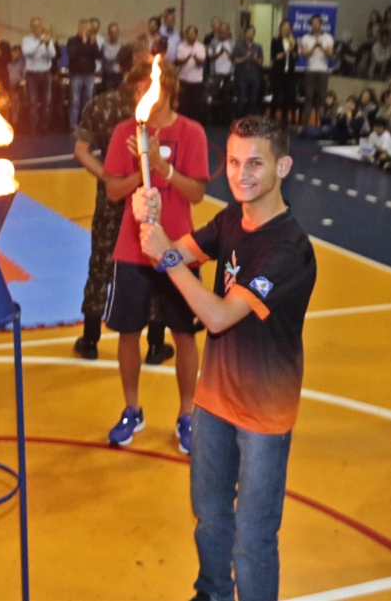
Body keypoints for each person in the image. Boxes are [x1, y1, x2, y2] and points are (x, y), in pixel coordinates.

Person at [133, 115, 316, 601]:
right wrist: (148, 220)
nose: (241, 174)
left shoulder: (290, 251)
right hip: (213, 399)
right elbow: (172, 254)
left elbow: (216, 316)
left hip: (263, 414)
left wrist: (166, 256)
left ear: (284, 167)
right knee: (210, 518)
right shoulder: (232, 219)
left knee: (252, 540)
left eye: (255, 163)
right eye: (234, 161)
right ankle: (212, 593)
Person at [102, 57, 208, 454]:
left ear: (167, 90)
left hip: (179, 249)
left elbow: (196, 193)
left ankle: (186, 415)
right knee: (128, 333)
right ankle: (132, 410)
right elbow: (113, 191)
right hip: (132, 250)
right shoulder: (124, 133)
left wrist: (161, 166)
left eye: (147, 86)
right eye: (135, 88)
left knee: (184, 335)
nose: (139, 94)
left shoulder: (192, 133)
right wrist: (140, 164)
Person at [72, 47, 172, 365]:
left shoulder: (100, 105)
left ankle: (90, 338)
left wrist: (106, 176)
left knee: (101, 263)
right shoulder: (157, 106)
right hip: (151, 195)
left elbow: (81, 151)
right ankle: (155, 343)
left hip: (112, 196)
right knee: (156, 262)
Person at [22, 17, 56, 134]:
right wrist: (40, 44)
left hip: (45, 74)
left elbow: (52, 55)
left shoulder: (47, 40)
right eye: (34, 26)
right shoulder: (26, 40)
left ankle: (44, 128)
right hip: (32, 75)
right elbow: (28, 53)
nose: (37, 29)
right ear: (31, 28)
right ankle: (33, 129)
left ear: (41, 27)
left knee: (46, 102)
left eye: (39, 26)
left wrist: (46, 46)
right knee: (33, 102)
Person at [67, 19, 101, 131]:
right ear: (78, 28)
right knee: (75, 101)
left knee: (87, 101)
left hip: (89, 75)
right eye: (82, 28)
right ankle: (73, 125)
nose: (84, 30)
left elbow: (97, 55)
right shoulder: (72, 40)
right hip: (76, 74)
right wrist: (82, 42)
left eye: (86, 29)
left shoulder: (91, 41)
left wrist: (92, 44)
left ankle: (85, 124)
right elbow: (72, 54)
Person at [300, 14, 334, 126]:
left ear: (321, 24)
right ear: (310, 25)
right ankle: (304, 125)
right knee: (308, 97)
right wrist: (314, 46)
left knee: (321, 98)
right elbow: (304, 54)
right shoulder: (306, 38)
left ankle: (321, 124)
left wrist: (321, 47)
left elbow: (330, 54)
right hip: (310, 70)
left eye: (318, 23)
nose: (316, 25)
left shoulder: (328, 38)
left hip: (323, 70)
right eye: (313, 23)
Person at [270, 20, 298, 124]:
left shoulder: (293, 41)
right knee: (276, 95)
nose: (287, 28)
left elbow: (295, 57)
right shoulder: (275, 41)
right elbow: (275, 57)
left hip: (289, 72)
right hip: (278, 71)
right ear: (281, 28)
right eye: (285, 26)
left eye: (289, 27)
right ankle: (272, 117)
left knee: (287, 95)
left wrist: (293, 48)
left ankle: (284, 118)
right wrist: (286, 51)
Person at [176, 25, 206, 124]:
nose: (190, 35)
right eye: (189, 33)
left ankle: (196, 126)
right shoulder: (181, 46)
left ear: (196, 35)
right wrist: (188, 56)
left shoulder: (200, 47)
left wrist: (196, 57)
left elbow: (201, 62)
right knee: (184, 106)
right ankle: (183, 124)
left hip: (197, 80)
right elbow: (178, 61)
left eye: (193, 33)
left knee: (196, 106)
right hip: (184, 79)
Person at [232, 26, 263, 117]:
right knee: (241, 99)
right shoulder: (238, 46)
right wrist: (246, 57)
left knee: (252, 100)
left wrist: (255, 58)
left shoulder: (258, 47)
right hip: (241, 77)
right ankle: (239, 120)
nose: (250, 35)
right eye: (248, 32)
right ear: (244, 34)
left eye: (252, 33)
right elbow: (235, 60)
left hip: (254, 77)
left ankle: (250, 121)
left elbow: (261, 62)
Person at [100, 23, 123, 93]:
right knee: (108, 96)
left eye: (116, 32)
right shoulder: (105, 45)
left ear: (118, 33)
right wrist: (118, 58)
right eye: (112, 33)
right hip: (108, 76)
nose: (114, 35)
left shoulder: (121, 44)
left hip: (119, 75)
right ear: (109, 33)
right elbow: (108, 59)